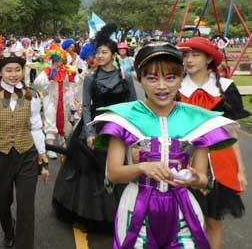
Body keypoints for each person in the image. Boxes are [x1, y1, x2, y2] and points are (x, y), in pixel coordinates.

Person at [92, 42, 237, 249]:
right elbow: (113, 173)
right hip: (136, 208)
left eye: (171, 78)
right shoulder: (123, 119)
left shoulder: (197, 120)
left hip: (182, 209)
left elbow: (203, 179)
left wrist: (195, 178)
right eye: (152, 78)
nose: (162, 86)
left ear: (181, 78)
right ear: (140, 79)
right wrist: (142, 167)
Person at [51, 23, 137, 232]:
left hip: (117, 129)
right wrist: (89, 132)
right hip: (93, 127)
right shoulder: (90, 78)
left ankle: (118, 213)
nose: (99, 55)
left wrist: (133, 133)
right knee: (89, 173)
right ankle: (88, 213)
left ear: (113, 54)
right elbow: (87, 107)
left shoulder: (125, 77)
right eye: (97, 52)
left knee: (114, 170)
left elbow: (133, 105)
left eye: (104, 52)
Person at [177, 37, 249, 249]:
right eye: (186, 55)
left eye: (195, 55)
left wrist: (241, 170)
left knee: (213, 220)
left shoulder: (225, 87)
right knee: (182, 218)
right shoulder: (175, 85)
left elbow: (230, 132)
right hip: (183, 158)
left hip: (219, 161)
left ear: (209, 58)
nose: (189, 60)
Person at [0, 45, 50, 249]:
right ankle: (8, 230)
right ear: (0, 72)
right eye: (8, 70)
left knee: (26, 207)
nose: (13, 74)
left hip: (26, 155)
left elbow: (36, 128)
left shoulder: (32, 95)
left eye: (17, 70)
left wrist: (43, 158)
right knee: (0, 203)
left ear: (23, 71)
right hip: (1, 156)